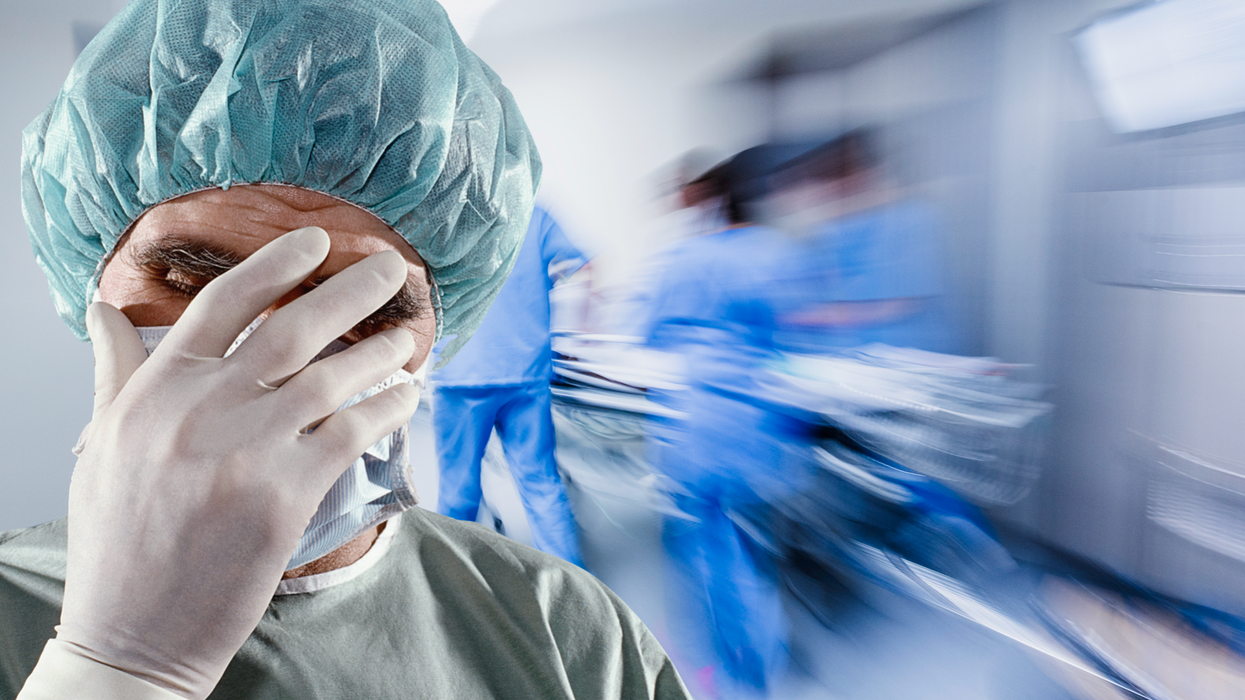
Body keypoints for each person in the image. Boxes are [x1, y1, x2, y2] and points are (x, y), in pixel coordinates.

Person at [0, 1, 690, 699]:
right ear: (86, 278)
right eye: (185, 279)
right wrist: (111, 666)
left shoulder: (574, 642)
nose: (274, 350)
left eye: (363, 308)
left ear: (433, 336)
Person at [642, 148, 810, 700]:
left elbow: (652, 334)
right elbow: (794, 335)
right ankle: (763, 665)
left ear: (711, 199)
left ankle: (720, 674)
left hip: (699, 430)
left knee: (702, 549)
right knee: (753, 550)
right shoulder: (776, 252)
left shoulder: (686, 259)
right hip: (759, 429)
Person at [431, 205, 588, 566]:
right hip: (525, 371)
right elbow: (583, 269)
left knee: (459, 493)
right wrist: (578, 337)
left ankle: (452, 589)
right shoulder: (534, 212)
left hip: (462, 372)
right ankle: (575, 591)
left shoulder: (450, 207)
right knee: (542, 487)